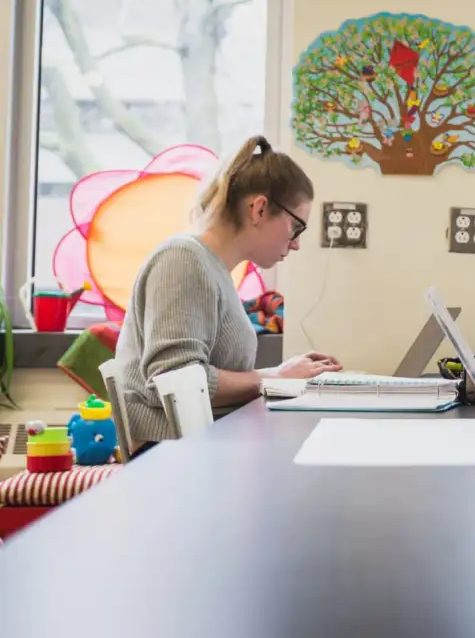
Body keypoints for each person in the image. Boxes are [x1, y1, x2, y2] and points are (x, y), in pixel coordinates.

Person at [114, 135, 343, 454]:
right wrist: (275, 377)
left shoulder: (212, 269)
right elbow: (175, 379)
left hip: (199, 450)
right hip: (169, 456)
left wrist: (283, 375)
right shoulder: (183, 259)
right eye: (296, 227)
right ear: (260, 209)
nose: (296, 243)